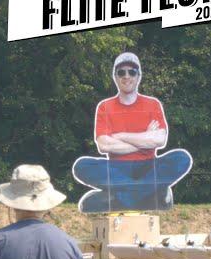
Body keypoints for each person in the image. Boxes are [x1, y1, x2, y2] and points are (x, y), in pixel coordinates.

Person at [73, 52, 192, 213]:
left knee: (181, 158)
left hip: (149, 166)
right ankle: (151, 196)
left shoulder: (152, 104)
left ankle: (119, 199)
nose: (126, 76)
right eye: (121, 72)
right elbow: (104, 145)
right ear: (115, 76)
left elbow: (160, 140)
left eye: (132, 72)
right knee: (82, 166)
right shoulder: (104, 107)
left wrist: (121, 136)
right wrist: (144, 140)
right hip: (116, 169)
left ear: (138, 76)